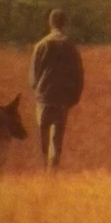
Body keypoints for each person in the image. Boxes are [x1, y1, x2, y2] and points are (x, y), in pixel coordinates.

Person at [28, 9, 84, 170]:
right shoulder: (70, 46)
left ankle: (43, 167)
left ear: (50, 23)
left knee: (43, 136)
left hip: (44, 97)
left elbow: (33, 75)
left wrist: (38, 91)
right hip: (62, 98)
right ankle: (53, 171)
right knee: (56, 138)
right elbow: (78, 74)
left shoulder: (41, 45)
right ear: (64, 23)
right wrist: (74, 96)